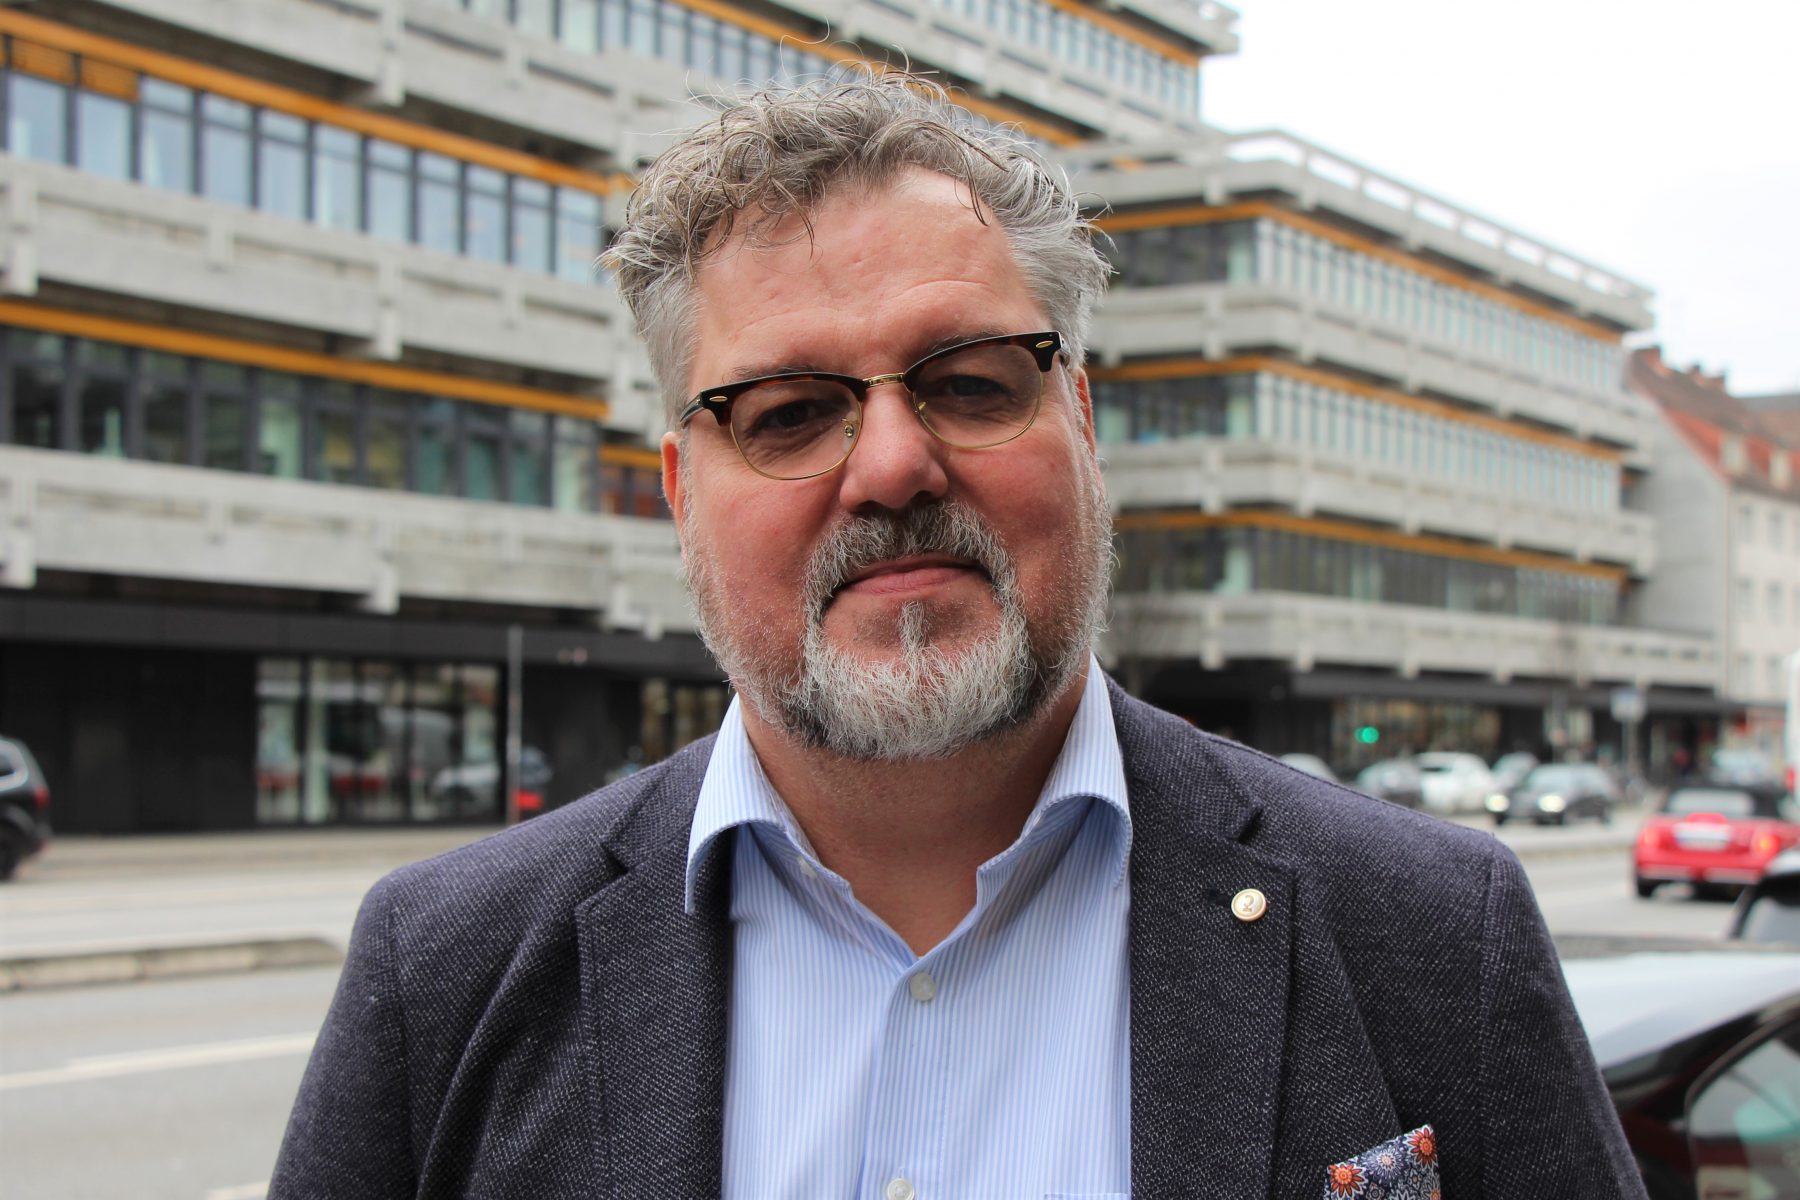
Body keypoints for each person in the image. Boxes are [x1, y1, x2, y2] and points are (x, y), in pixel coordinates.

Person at [271, 74, 1646, 1200]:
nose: (890, 467)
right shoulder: (441, 972)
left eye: (971, 383)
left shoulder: (1429, 937)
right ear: (684, 495)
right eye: (790, 413)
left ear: (1082, 431)